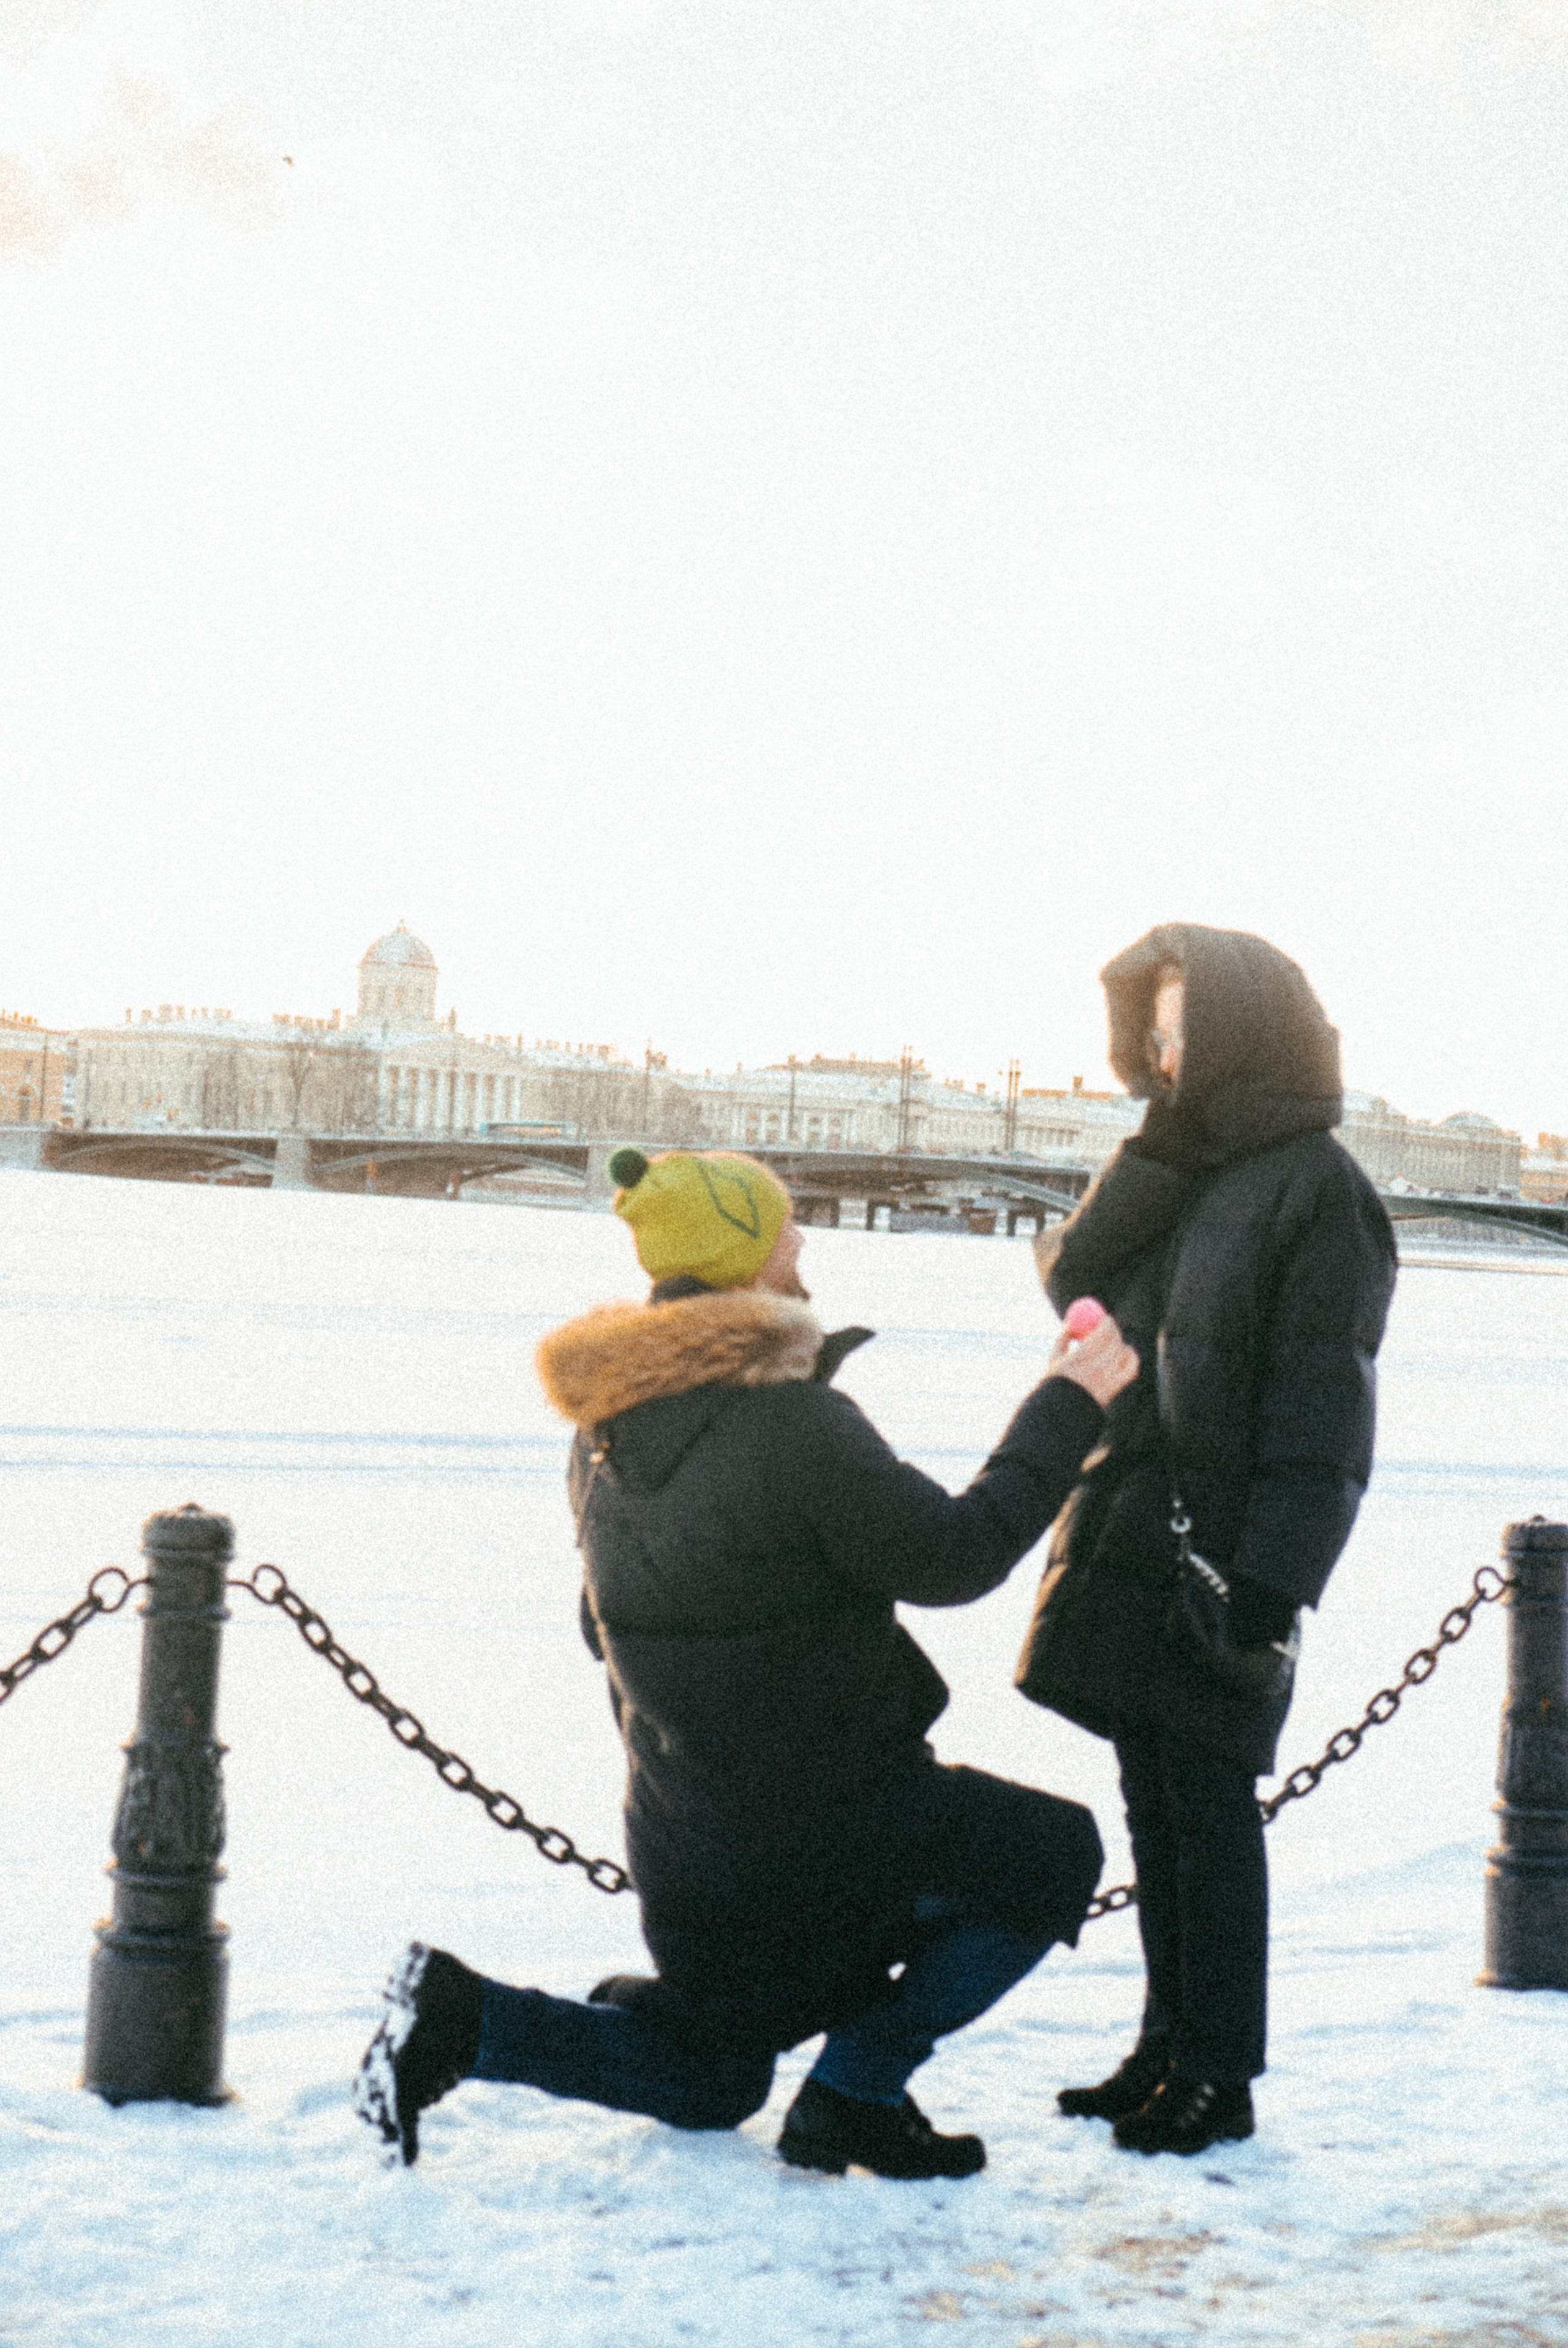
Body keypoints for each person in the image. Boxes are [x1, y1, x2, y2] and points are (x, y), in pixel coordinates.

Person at [355, 1144, 1138, 2173]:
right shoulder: (795, 1422)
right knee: (1050, 1853)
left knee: (712, 2080)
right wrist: (1069, 1401)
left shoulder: (603, 1429)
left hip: (688, 1845)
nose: (804, 1239)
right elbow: (953, 1556)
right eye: (784, 1228)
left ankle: (464, 2017)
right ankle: (855, 2091)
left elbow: (606, 1628)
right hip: (831, 1820)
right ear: (749, 1256)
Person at [1016, 924, 1397, 2156]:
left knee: (1209, 1812)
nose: (1164, 1059)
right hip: (1135, 1518)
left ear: (1241, 1038)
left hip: (1218, 1550)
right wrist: (1151, 1146)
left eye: (1184, 1036)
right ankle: (1162, 2044)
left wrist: (1272, 1576)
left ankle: (1218, 2074)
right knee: (1152, 1800)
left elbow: (1320, 1404)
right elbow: (1070, 1273)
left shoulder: (1315, 1188)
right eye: (1155, 1037)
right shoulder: (1187, 1168)